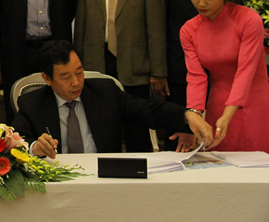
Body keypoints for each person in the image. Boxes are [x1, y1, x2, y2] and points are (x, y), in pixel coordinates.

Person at [12, 40, 213, 158]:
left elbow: (149, 110)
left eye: (79, 72)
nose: (76, 82)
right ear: (47, 79)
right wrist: (35, 147)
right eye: (65, 77)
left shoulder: (105, 93)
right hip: (57, 180)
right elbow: (14, 141)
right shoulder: (32, 103)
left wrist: (187, 116)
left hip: (103, 177)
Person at [74, 0, 166, 152]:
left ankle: (141, 170)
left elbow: (156, 27)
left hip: (135, 64)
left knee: (137, 127)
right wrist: (79, 67)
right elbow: (81, 26)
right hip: (98, 62)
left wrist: (158, 71)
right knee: (104, 128)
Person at [159, 0, 243, 151]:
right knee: (181, 134)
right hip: (181, 67)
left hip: (222, 68)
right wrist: (160, 70)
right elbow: (160, 26)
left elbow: (236, 19)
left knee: (222, 133)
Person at [181, 0, 269, 152]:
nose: (201, 3)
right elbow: (196, 78)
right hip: (218, 104)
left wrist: (228, 114)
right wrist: (195, 113)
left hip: (254, 103)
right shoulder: (189, 30)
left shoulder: (248, 20)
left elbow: (245, 72)